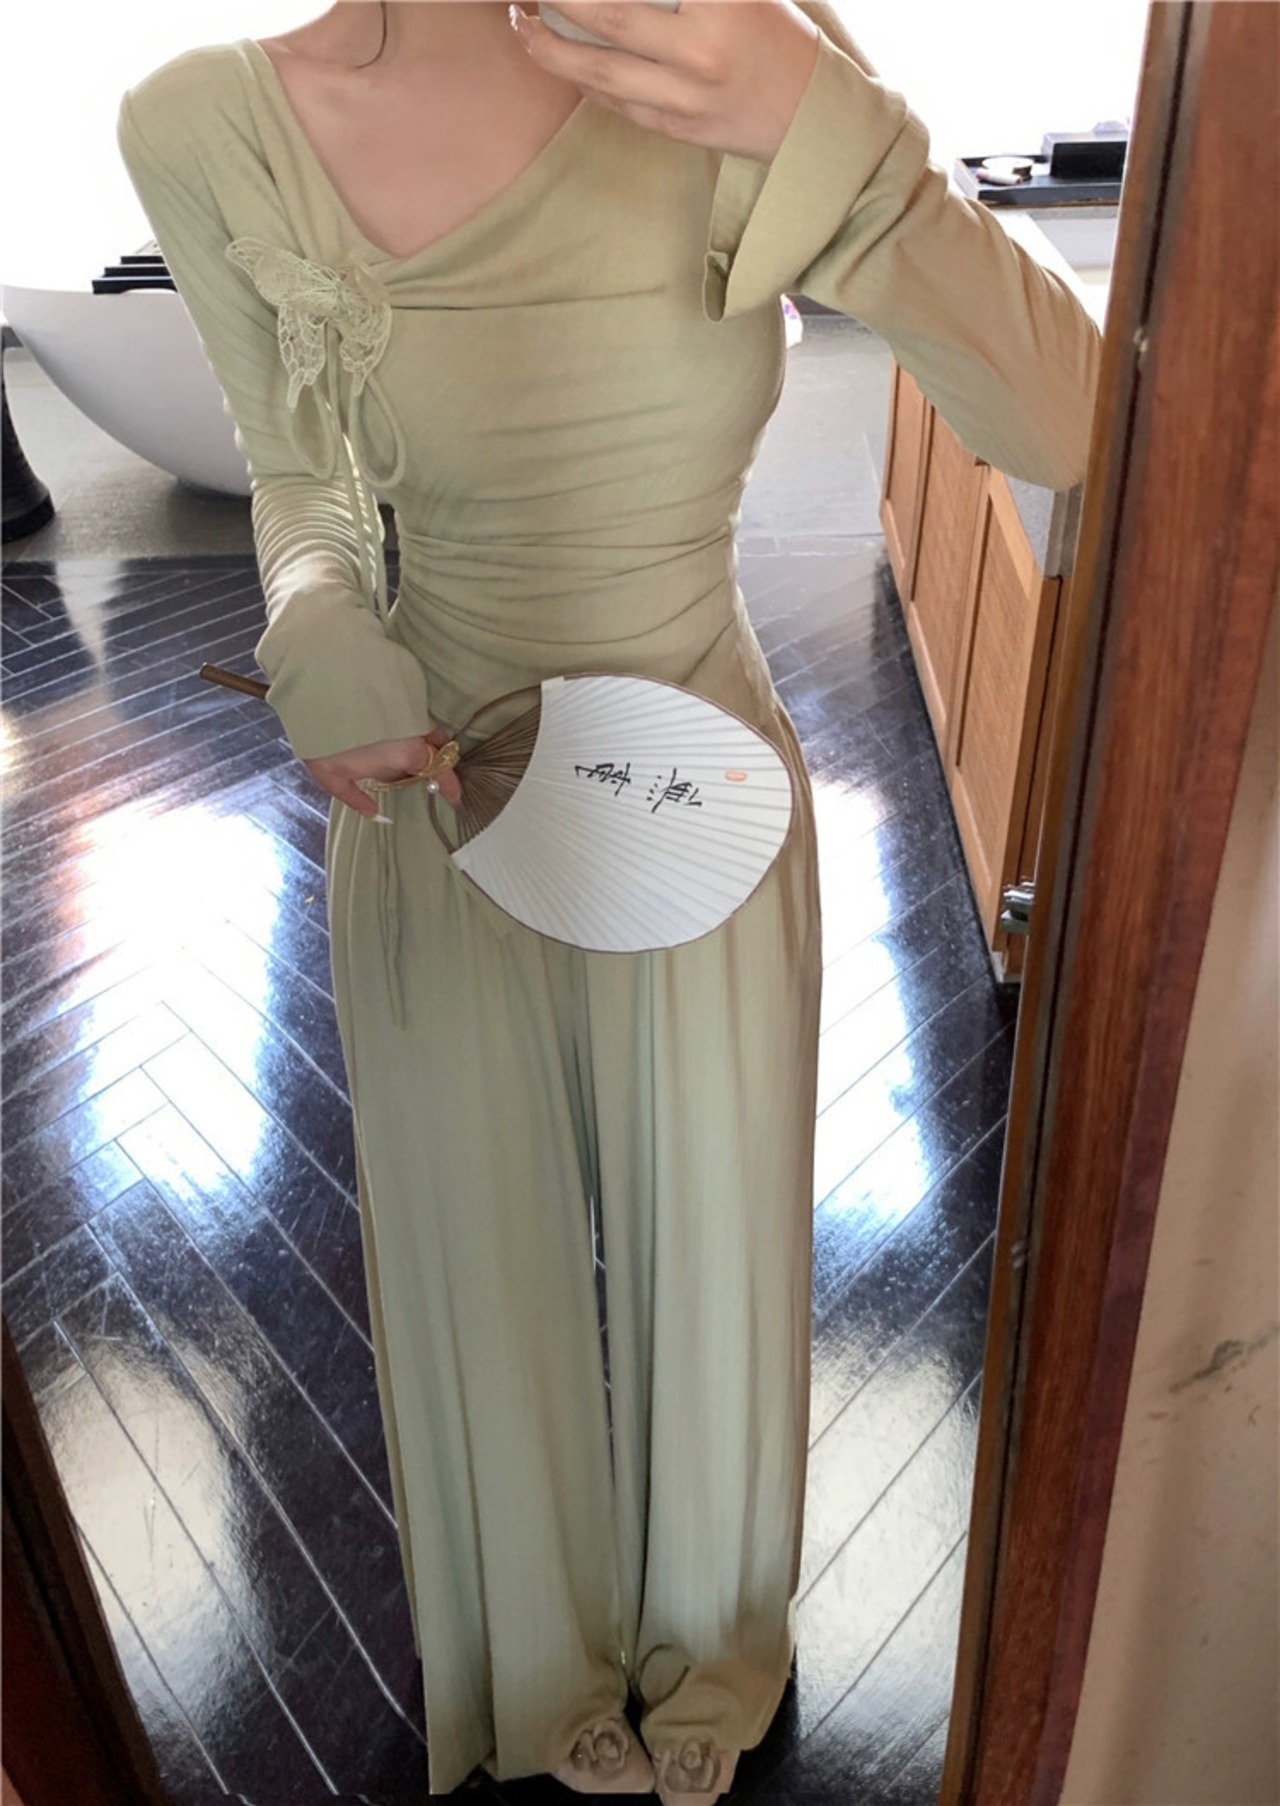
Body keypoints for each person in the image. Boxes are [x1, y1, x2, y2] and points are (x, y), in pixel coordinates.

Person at [115, 3, 1100, 1799]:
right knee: (473, 1252)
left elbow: (1070, 422)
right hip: (437, 789)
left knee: (719, 1243)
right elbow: (299, 468)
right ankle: (536, 1661)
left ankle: (715, 1642)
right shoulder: (208, 121)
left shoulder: (728, 42)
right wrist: (315, 608)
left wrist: (840, 128)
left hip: (693, 778)